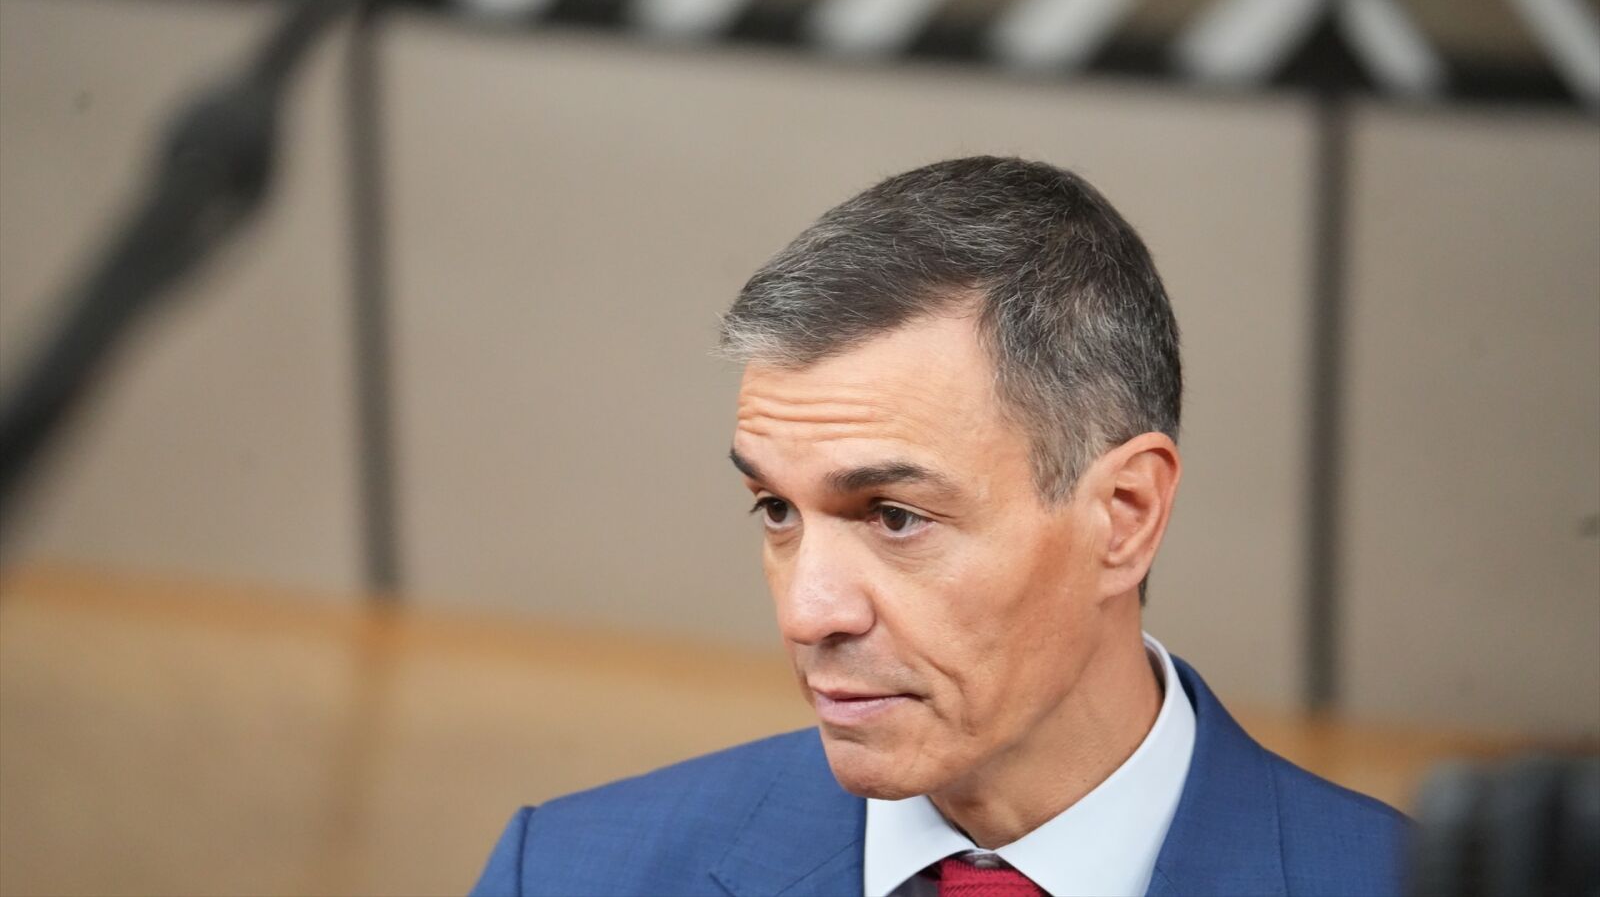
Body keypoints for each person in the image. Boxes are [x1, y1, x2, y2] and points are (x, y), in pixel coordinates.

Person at [470, 156, 1407, 897]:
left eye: (895, 516)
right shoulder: (561, 873)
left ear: (1125, 515)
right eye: (776, 509)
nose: (807, 614)